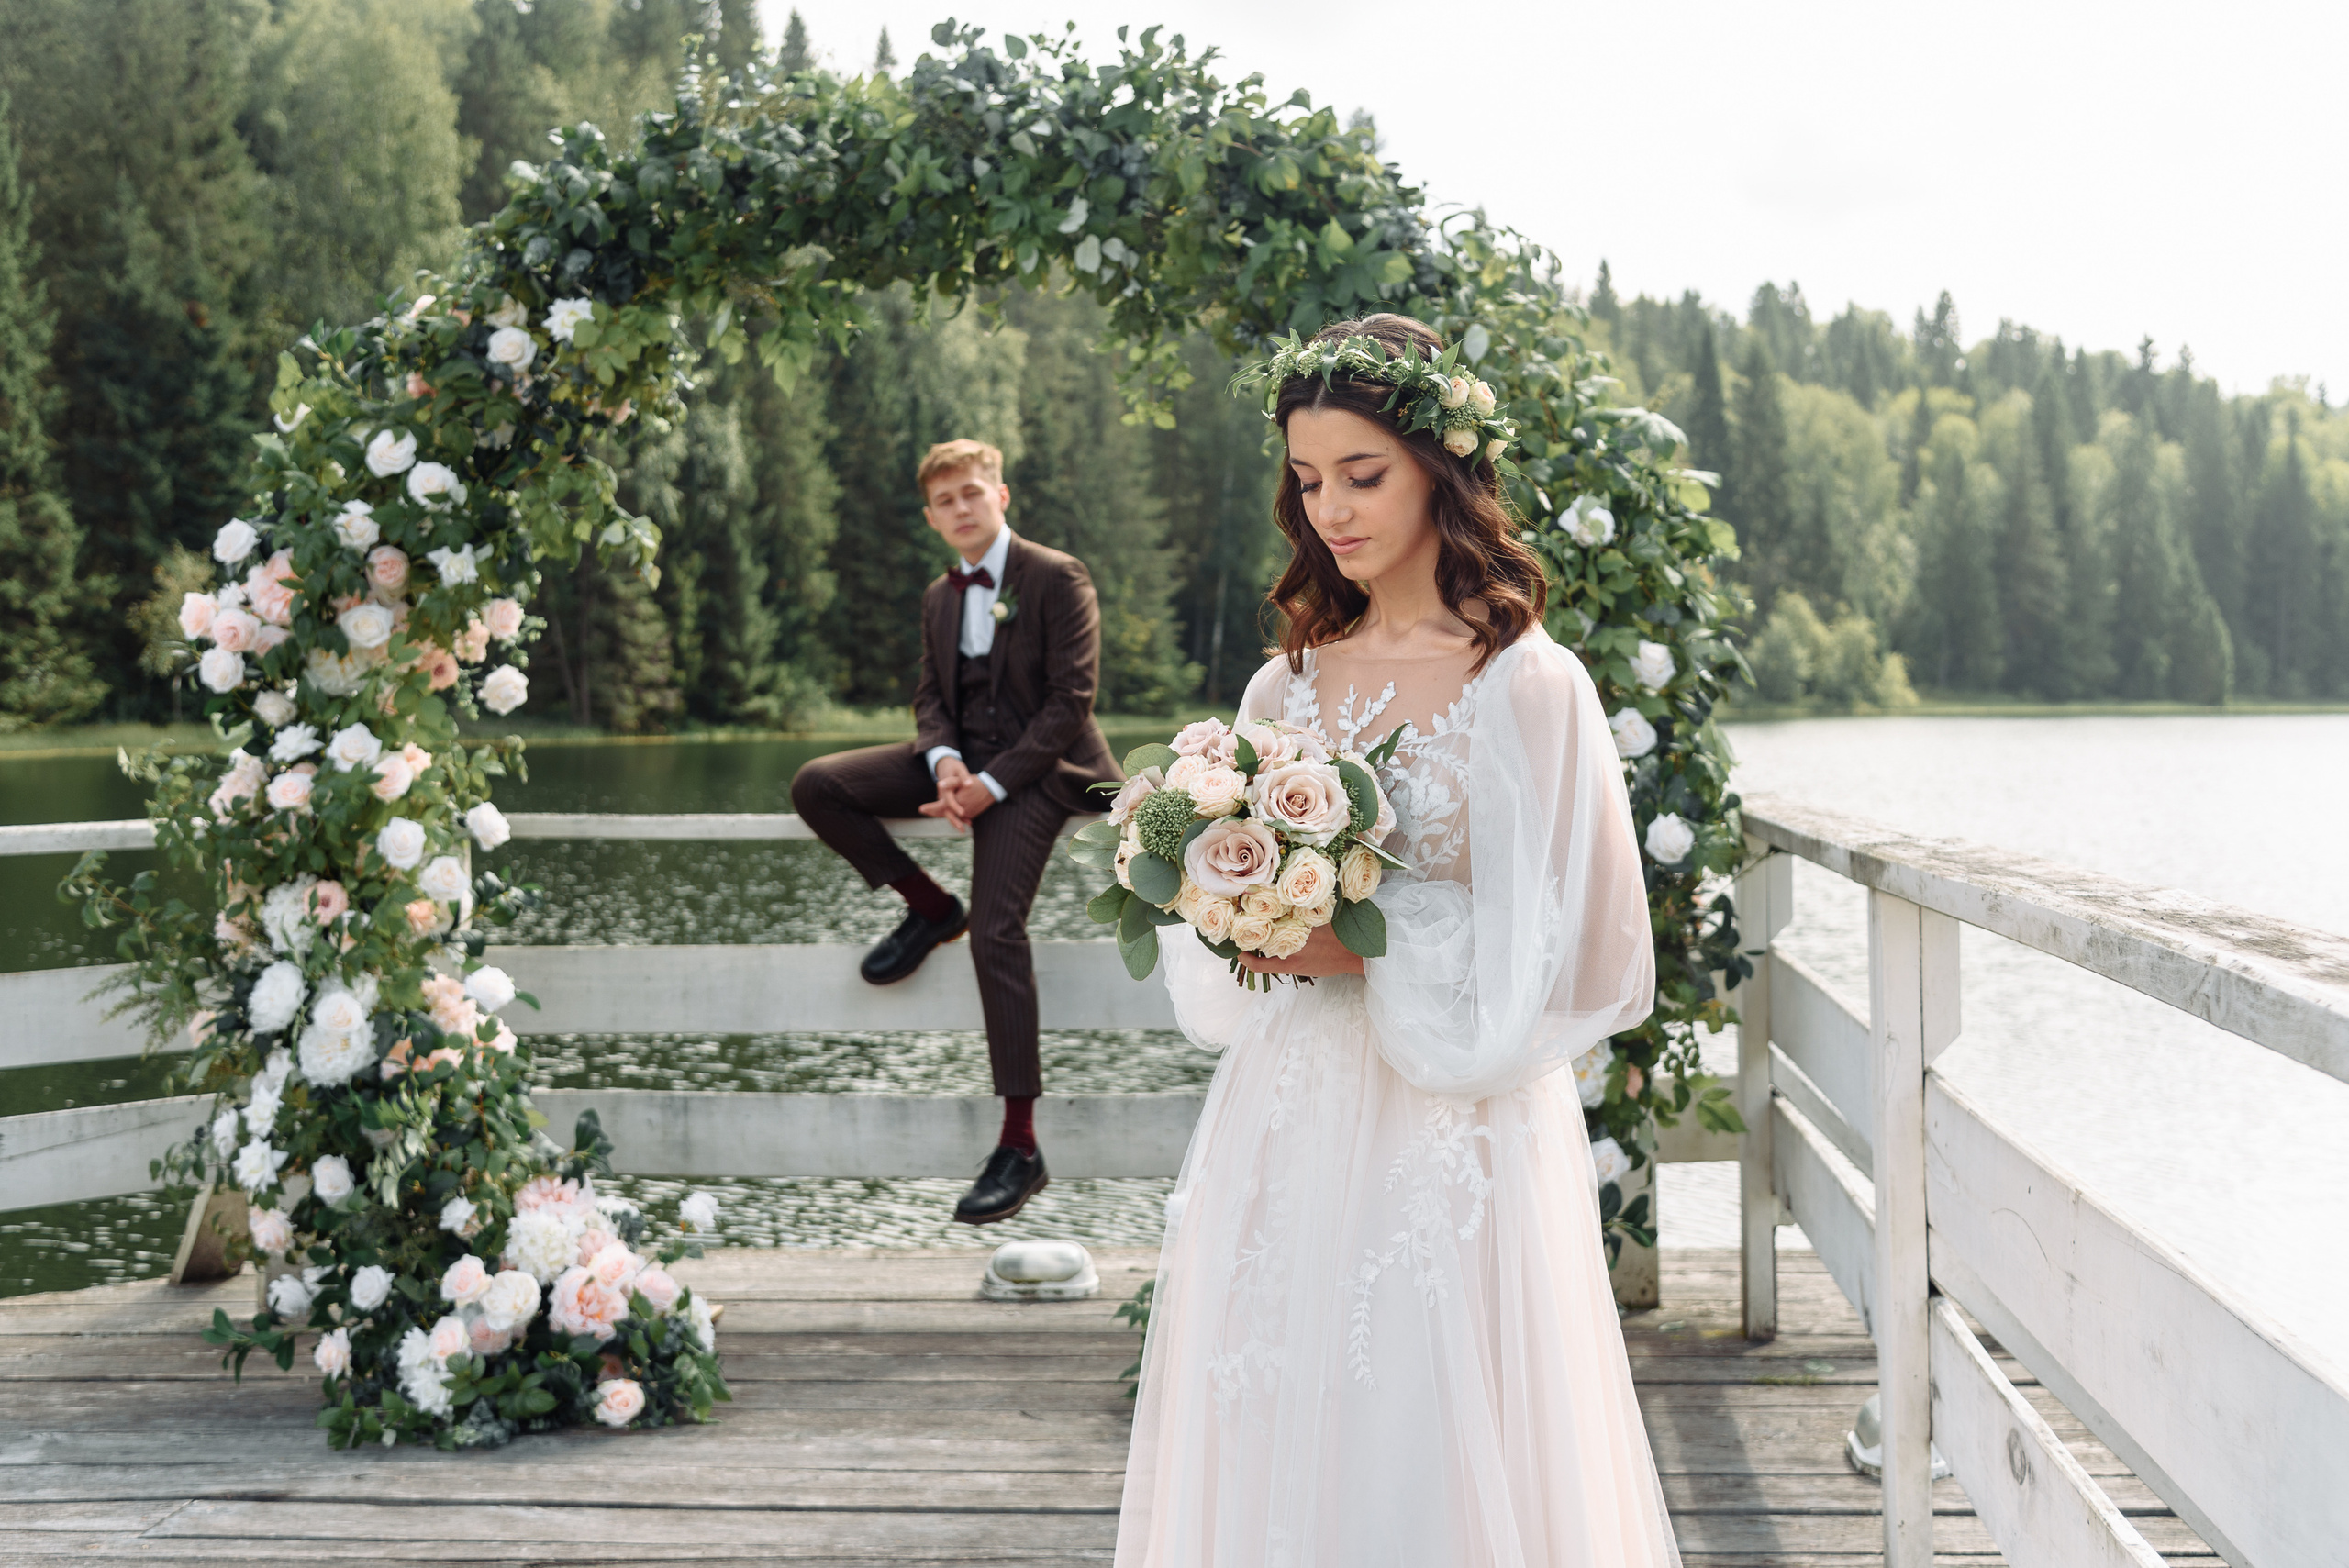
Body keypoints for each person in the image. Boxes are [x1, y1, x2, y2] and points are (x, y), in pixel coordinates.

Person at [1115, 317, 1681, 1564]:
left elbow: (1595, 961)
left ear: (1441, 464)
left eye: (1362, 474)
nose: (1332, 511)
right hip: (1289, 1116)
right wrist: (1234, 912)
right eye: (1309, 481)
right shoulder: (1284, 689)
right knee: (1275, 1422)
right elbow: (1235, 961)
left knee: (1430, 1447)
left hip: (1457, 1135)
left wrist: (1366, 944)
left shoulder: (1529, 683)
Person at [789, 439, 1120, 1225]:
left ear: (1001, 495)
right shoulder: (941, 595)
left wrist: (990, 784)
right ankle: (929, 905)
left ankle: (1020, 1144)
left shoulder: (1057, 575)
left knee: (998, 932)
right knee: (820, 785)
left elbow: (1069, 702)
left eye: (972, 492)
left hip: (1041, 771)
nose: (961, 508)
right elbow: (932, 694)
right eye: (945, 501)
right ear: (934, 518)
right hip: (962, 763)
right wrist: (942, 763)